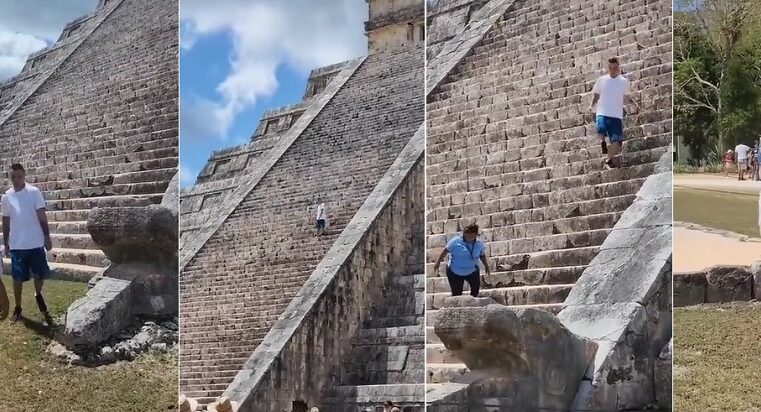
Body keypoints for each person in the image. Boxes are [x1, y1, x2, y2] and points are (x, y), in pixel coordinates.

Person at [1, 163, 52, 323]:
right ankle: (18, 307)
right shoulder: (6, 197)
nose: (16, 179)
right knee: (17, 279)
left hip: (36, 243)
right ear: (10, 177)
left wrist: (47, 236)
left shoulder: (34, 192)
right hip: (17, 245)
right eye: (13, 177)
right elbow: (5, 221)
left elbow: (42, 217)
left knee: (40, 275)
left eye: (19, 176)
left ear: (24, 175)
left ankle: (38, 294)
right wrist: (6, 242)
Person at [589, 57, 639, 170]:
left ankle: (608, 160)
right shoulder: (601, 80)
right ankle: (602, 143)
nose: (612, 70)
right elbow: (596, 94)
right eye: (610, 68)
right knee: (600, 129)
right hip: (602, 111)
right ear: (608, 68)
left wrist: (635, 104)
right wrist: (591, 105)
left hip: (616, 115)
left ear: (618, 67)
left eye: (615, 68)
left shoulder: (623, 81)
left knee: (616, 142)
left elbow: (626, 96)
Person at [432, 223, 491, 297]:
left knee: (475, 292)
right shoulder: (455, 241)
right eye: (467, 235)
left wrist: (486, 266)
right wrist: (437, 263)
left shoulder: (478, 244)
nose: (469, 237)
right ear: (464, 234)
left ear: (476, 235)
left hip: (472, 271)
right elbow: (445, 251)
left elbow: (482, 255)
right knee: (457, 295)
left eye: (472, 236)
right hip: (455, 272)